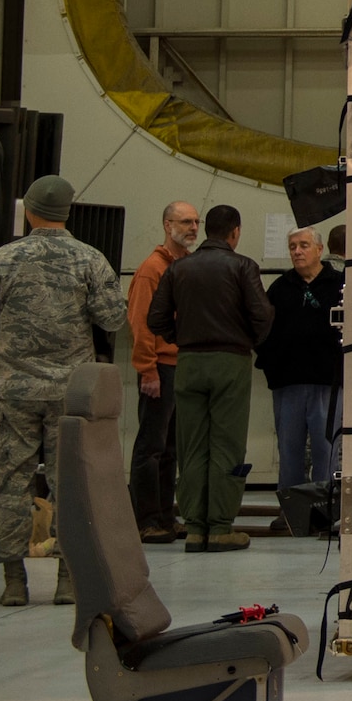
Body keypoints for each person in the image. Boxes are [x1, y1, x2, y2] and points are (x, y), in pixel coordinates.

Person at [0, 175, 125, 607]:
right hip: (70, 393)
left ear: (31, 210)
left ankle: (13, 581)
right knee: (71, 486)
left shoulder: (3, 258)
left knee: (10, 482)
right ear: (67, 212)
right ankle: (67, 580)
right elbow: (113, 317)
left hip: (12, 389)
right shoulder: (89, 259)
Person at [149, 205, 272, 552]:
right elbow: (262, 316)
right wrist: (247, 339)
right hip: (230, 362)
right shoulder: (242, 266)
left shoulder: (179, 268)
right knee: (226, 443)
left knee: (190, 444)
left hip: (188, 362)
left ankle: (193, 528)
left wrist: (181, 336)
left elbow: (155, 318)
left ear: (206, 231)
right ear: (235, 232)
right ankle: (219, 527)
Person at [127, 201, 198, 543]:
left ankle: (166, 516)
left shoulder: (185, 266)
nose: (193, 228)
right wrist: (147, 369)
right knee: (150, 447)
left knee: (171, 449)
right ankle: (145, 519)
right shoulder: (152, 269)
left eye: (196, 222)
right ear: (167, 224)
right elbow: (140, 324)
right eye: (185, 222)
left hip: (180, 367)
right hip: (160, 369)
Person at [256, 227, 343, 497]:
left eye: (304, 245)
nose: (297, 251)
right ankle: (290, 512)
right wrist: (271, 366)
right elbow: (262, 331)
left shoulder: (340, 284)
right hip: (288, 382)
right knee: (289, 450)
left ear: (319, 249)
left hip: (328, 381)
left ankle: (325, 511)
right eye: (292, 246)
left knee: (326, 450)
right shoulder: (280, 288)